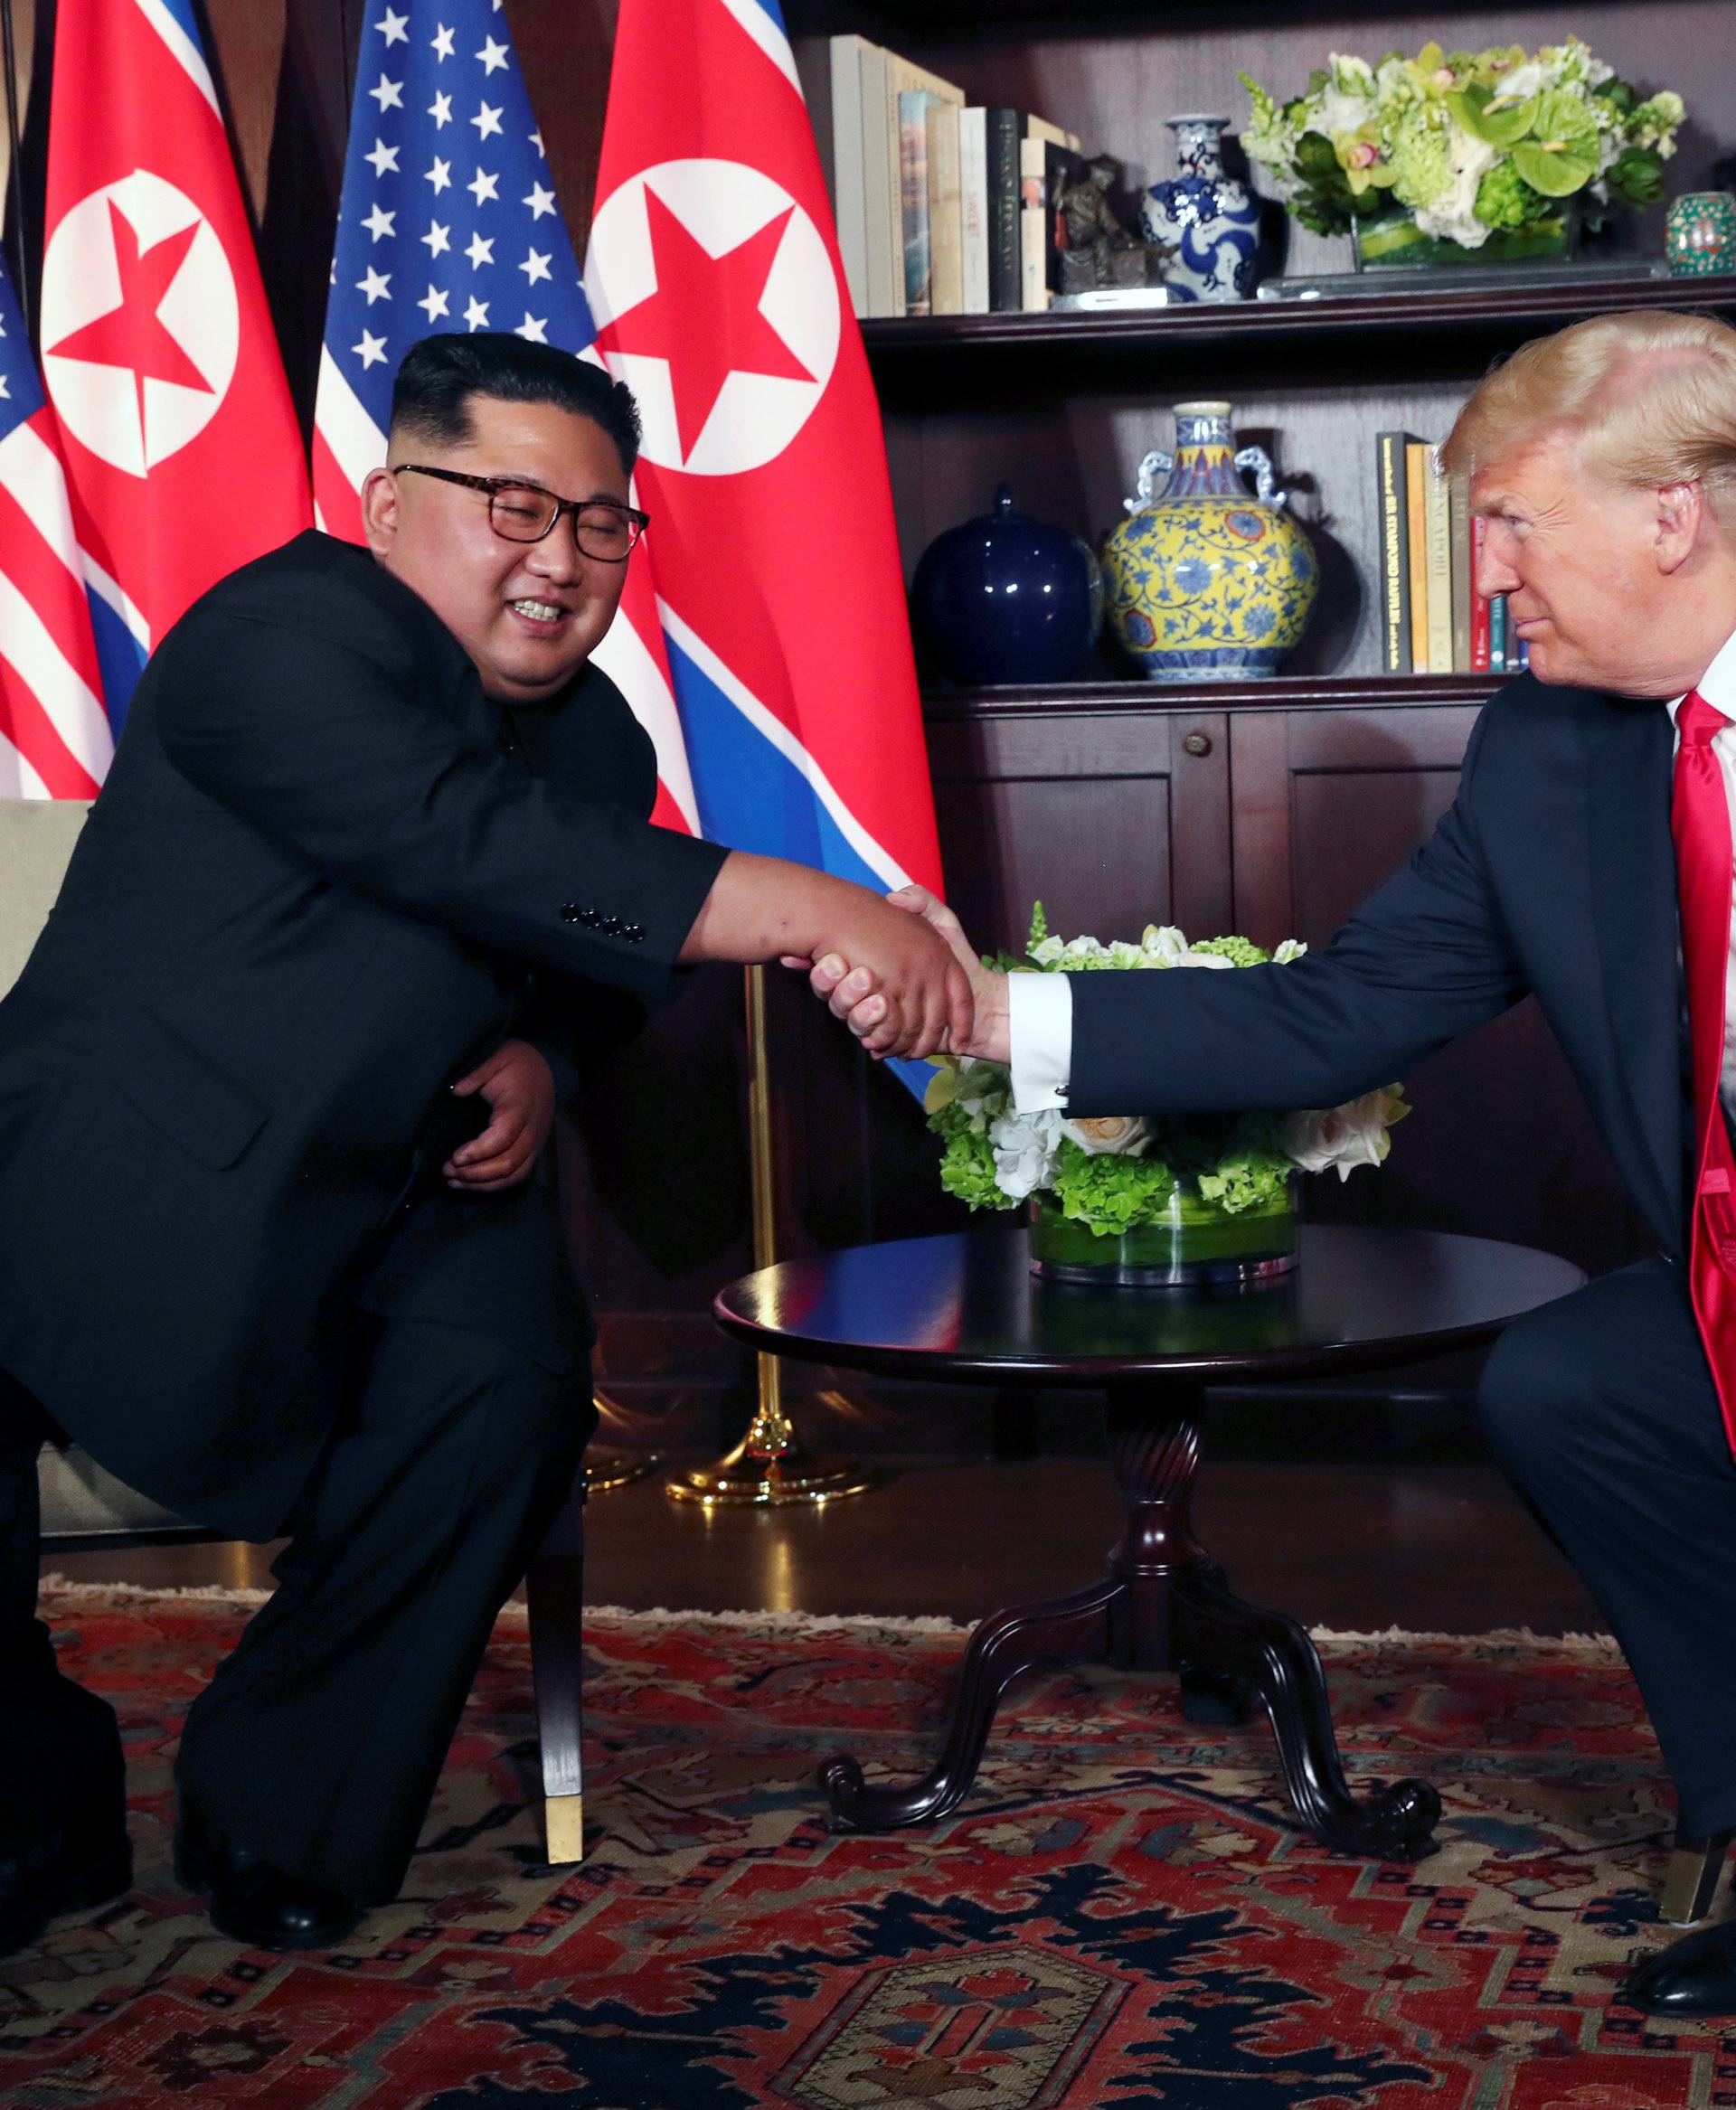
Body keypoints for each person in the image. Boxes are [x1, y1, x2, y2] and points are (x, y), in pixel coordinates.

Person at [0, 332, 969, 1956]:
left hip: (411, 1176)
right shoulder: (277, 631)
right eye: (513, 503)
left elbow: (566, 950)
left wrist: (544, 1048)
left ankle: (279, 1806)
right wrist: (829, 911)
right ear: (389, 503)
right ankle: (37, 1803)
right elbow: (466, 845)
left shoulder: (597, 734)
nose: (561, 555)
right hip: (113, 1170)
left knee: (503, 1386)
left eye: (602, 524)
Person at [816, 308, 1736, 2020]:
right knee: (1568, 1381)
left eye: (1516, 522)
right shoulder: (1552, 749)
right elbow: (1335, 1017)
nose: (1487, 576)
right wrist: (979, 1007)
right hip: (1727, 1285)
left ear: (1674, 512)